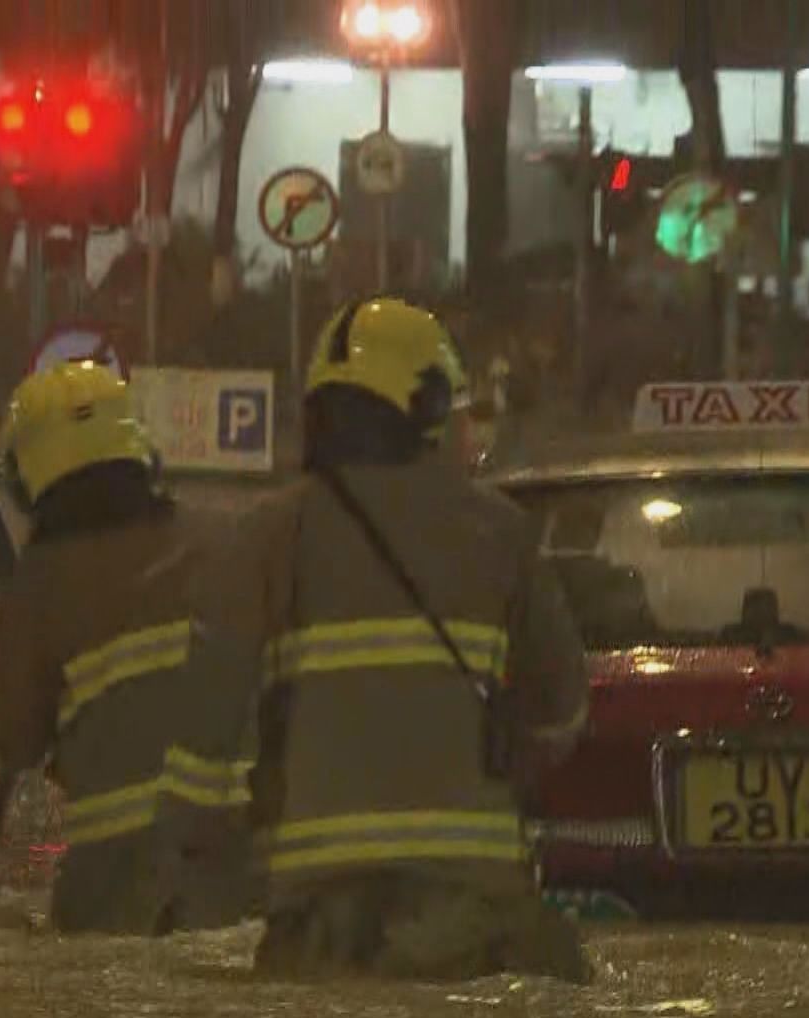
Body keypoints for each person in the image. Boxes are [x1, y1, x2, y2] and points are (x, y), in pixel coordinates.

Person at [174, 296, 593, 981]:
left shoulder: (262, 537)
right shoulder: (501, 531)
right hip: (475, 915)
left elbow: (202, 742)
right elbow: (564, 710)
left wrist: (214, 864)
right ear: (426, 410)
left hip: (320, 921)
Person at [0, 361, 250, 934]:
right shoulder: (225, 543)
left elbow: (10, 736)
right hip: (242, 874)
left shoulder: (43, 584)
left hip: (111, 890)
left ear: (29, 482)